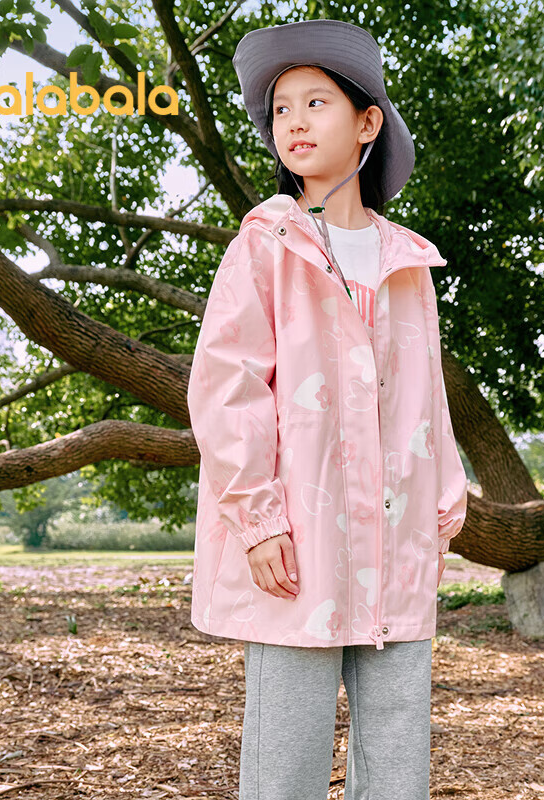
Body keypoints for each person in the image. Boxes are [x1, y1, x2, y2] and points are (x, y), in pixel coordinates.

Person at [186, 18, 469, 800]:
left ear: (367, 123)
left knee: (399, 763)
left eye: (317, 102)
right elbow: (227, 384)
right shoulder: (266, 244)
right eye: (281, 109)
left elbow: (426, 391)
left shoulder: (408, 261)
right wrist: (257, 518)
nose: (295, 122)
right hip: (298, 546)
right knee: (285, 765)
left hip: (398, 543)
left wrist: (444, 497)